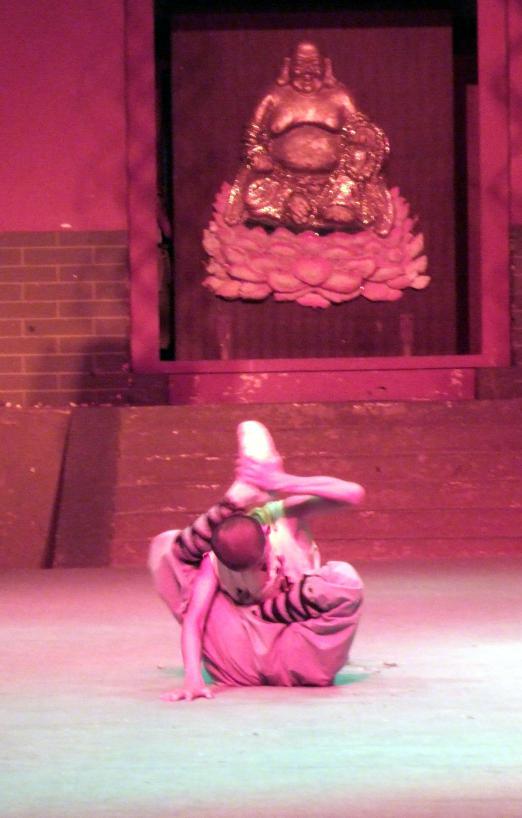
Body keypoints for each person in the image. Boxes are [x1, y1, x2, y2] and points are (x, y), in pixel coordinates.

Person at [148, 420, 365, 701]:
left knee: (343, 581)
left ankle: (264, 612)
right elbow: (194, 620)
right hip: (240, 661)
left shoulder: (283, 517)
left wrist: (280, 481)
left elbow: (353, 493)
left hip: (297, 655)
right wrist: (192, 679)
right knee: (166, 548)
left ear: (265, 532)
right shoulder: (215, 558)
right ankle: (232, 501)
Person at [224, 41, 394, 235]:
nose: (307, 72)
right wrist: (257, 154)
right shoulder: (273, 96)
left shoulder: (341, 96)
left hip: (335, 179)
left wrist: (364, 137)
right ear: (288, 65)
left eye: (313, 64)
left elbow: (361, 127)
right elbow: (253, 132)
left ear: (326, 66)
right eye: (300, 64)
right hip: (281, 178)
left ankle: (340, 202)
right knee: (254, 193)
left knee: (360, 165)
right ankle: (289, 201)